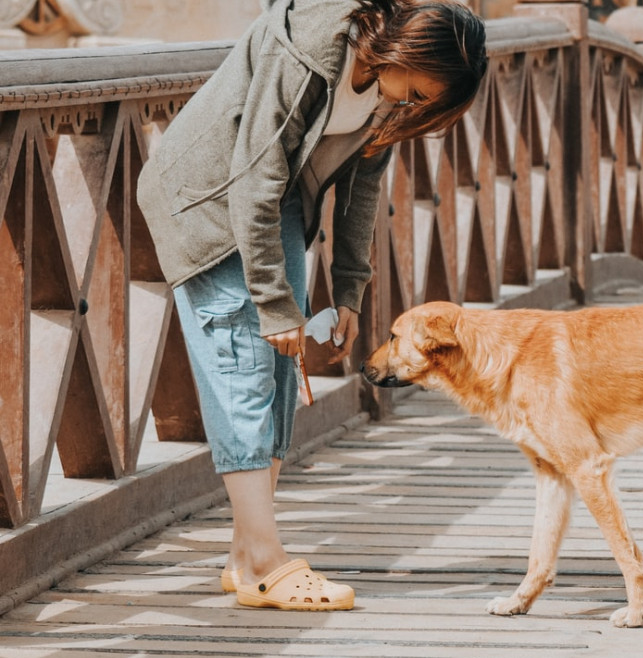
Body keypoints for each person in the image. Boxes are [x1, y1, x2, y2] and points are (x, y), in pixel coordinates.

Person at [136, 0, 487, 611]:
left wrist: (349, 288)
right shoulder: (309, 50)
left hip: (278, 206)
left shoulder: (392, 89)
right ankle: (268, 563)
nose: (413, 108)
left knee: (277, 376)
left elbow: (363, 184)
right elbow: (254, 177)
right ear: (407, 54)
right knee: (244, 366)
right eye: (419, 94)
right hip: (212, 202)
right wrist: (274, 304)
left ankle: (247, 557)